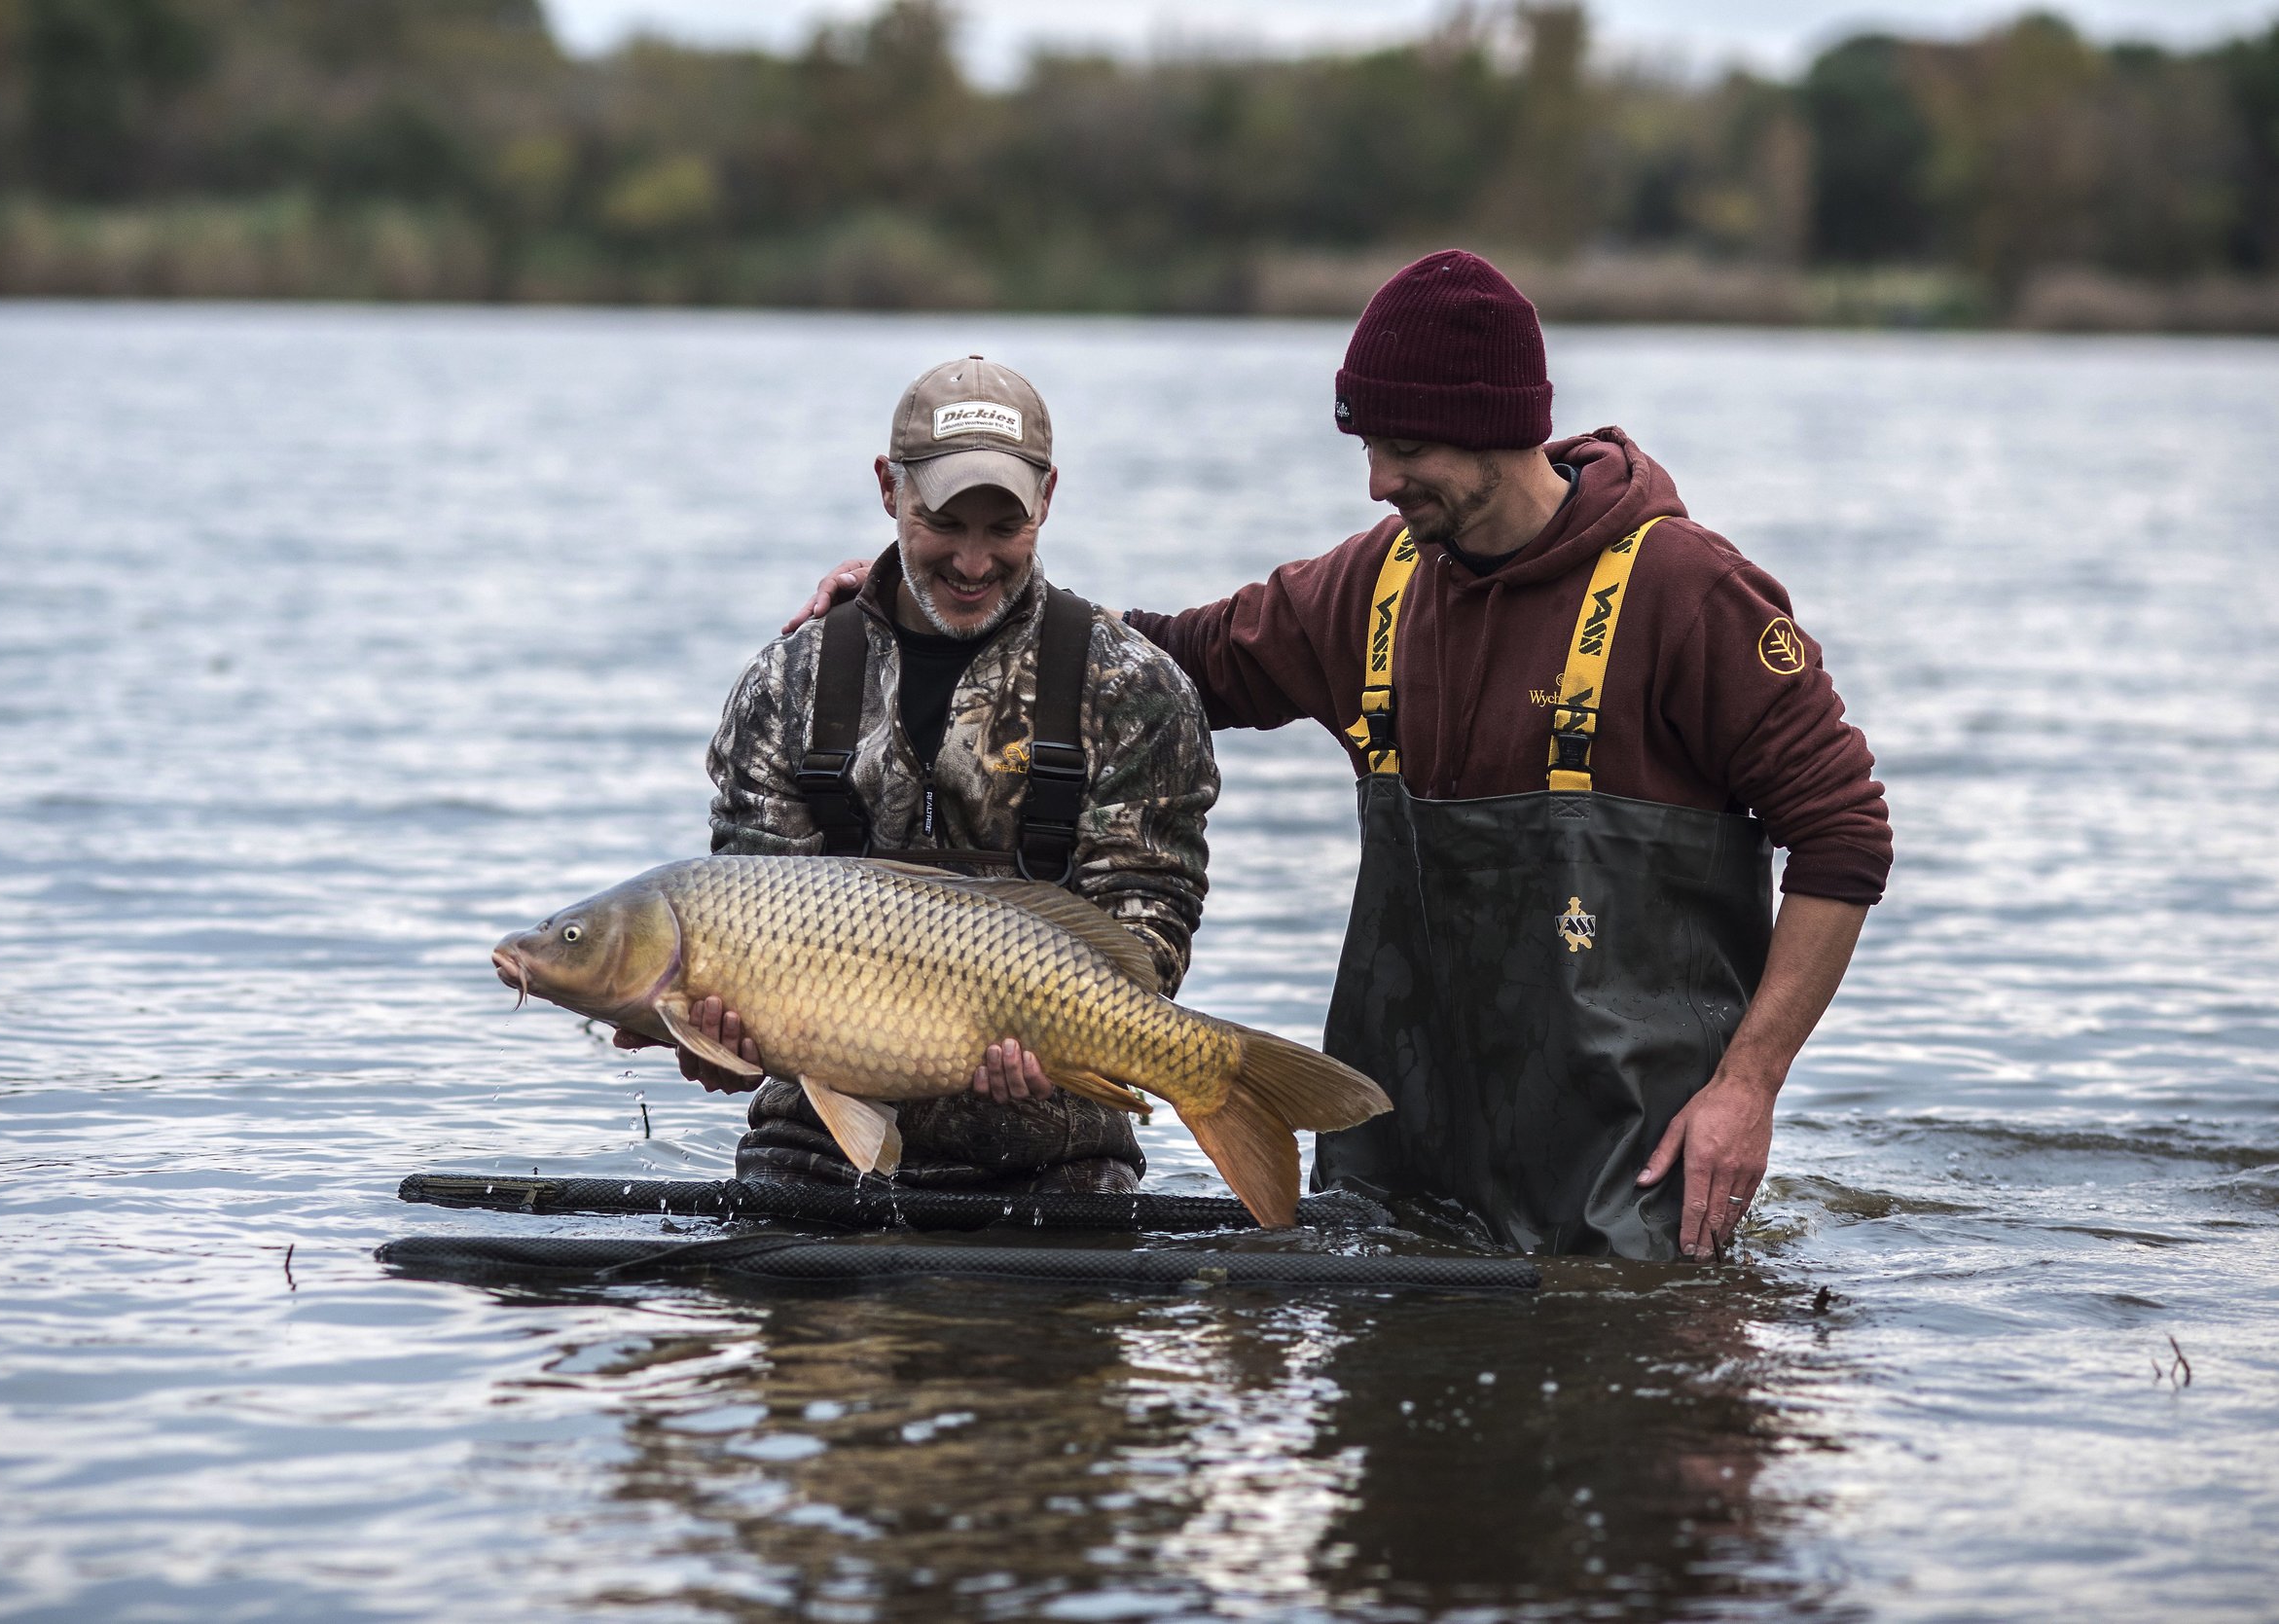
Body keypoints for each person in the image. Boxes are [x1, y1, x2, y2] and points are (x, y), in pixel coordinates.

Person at [790, 254, 1891, 1259]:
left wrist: (1749, 1083)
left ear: (1495, 428)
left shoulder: (1686, 593)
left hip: (1633, 1175)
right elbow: (1155, 667)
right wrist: (898, 608)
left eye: (1403, 449)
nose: (1376, 482)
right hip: (1394, 1167)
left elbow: (1844, 836)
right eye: (1369, 448)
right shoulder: (1375, 582)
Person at [623, 354, 1219, 1194]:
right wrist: (719, 1046)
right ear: (888, 489)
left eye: (1002, 529)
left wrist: (1056, 1042)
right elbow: (743, 918)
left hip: (1061, 1161)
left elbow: (1145, 936)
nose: (973, 563)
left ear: (1047, 501)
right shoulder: (785, 684)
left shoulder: (1132, 686)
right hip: (813, 1153)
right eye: (945, 522)